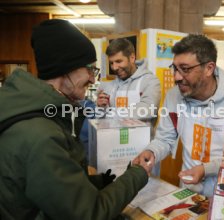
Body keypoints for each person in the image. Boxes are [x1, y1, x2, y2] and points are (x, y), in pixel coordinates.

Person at [0, 19, 151, 220]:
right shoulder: (40, 136)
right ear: (66, 68)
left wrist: (101, 181)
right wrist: (138, 174)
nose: (92, 78)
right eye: (89, 68)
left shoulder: (35, 115)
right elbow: (89, 213)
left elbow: (55, 188)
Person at [133, 34, 224, 198]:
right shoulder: (174, 97)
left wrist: (206, 169)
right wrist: (152, 152)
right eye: (175, 68)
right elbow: (165, 139)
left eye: (185, 69)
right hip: (189, 191)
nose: (177, 77)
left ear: (209, 68)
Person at [96, 38, 161, 122]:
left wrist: (112, 114)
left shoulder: (150, 81)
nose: (114, 67)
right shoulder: (109, 86)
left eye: (118, 61)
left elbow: (147, 110)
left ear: (132, 58)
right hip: (115, 135)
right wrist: (101, 108)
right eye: (111, 63)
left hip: (141, 135)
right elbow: (101, 120)